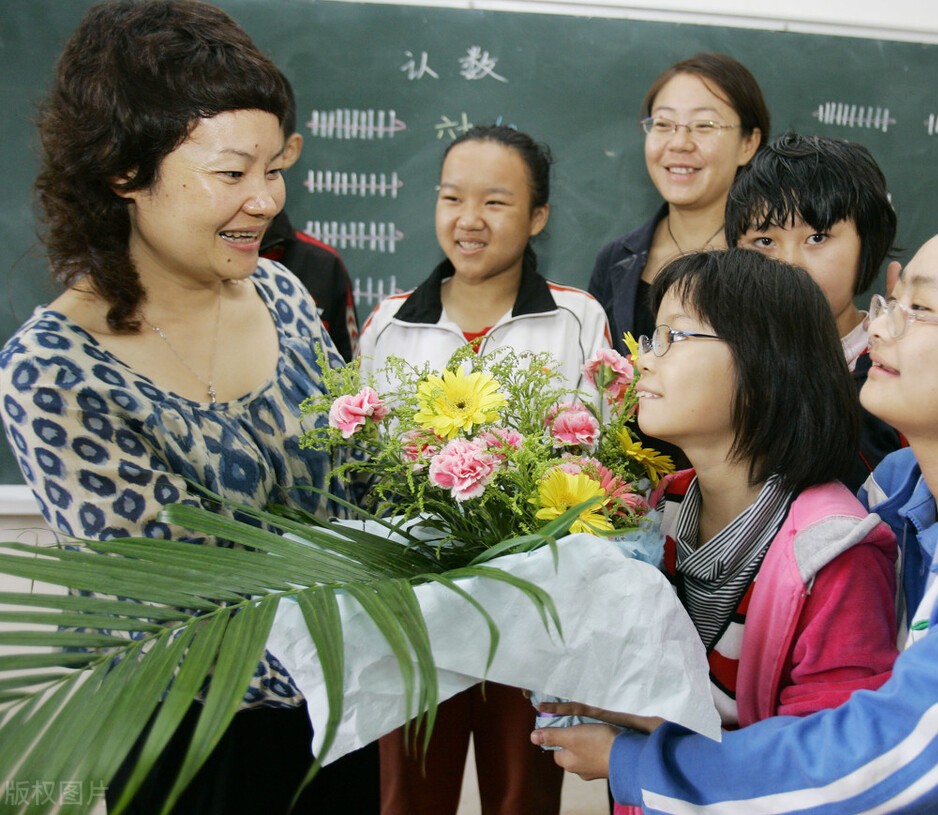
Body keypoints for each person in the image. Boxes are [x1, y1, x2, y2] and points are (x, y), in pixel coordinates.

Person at [533, 195, 938, 813]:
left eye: (923, 310)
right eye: (891, 300)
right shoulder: (903, 493)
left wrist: (638, 759)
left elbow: (875, 766)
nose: (879, 328)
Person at [0, 1, 377, 811]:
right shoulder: (57, 370)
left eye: (276, 168)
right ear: (123, 171)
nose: (267, 200)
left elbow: (355, 491)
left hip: (342, 717)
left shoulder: (279, 292)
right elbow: (181, 624)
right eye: (232, 173)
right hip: (193, 746)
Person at [358, 124, 611, 815]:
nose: (468, 220)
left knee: (521, 792)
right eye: (451, 198)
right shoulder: (388, 324)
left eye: (496, 203)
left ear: (537, 218)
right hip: (418, 605)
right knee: (409, 792)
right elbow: (369, 465)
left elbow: (596, 459)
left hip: (529, 604)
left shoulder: (576, 319)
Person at [612, 249, 899, 815]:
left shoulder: (835, 553)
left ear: (765, 362)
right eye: (651, 339)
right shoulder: (651, 509)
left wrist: (645, 742)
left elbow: (830, 764)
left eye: (673, 337)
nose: (644, 361)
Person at [588, 52, 769, 468]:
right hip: (625, 495)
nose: (679, 143)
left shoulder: (765, 259)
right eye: (664, 124)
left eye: (704, 125)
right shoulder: (617, 260)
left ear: (748, 143)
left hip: (738, 493)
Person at [726, 132, 904, 491]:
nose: (790, 264)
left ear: (868, 244)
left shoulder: (896, 372)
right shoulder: (718, 362)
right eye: (764, 242)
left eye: (817, 238)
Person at [260, 74, 361, 361]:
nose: (257, 204)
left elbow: (346, 386)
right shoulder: (177, 261)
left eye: (267, 168)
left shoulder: (321, 266)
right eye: (231, 171)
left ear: (288, 151)